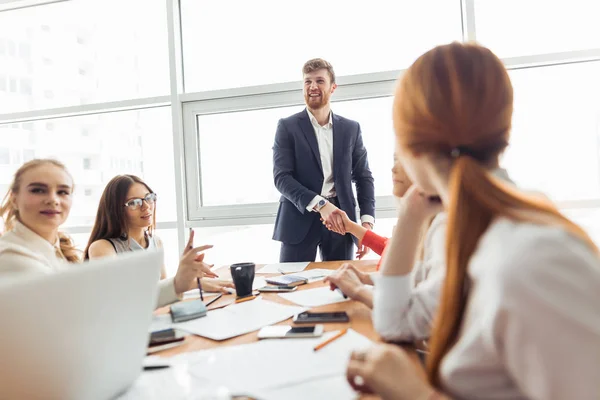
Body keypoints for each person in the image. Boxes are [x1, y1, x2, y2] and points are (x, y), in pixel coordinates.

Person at [346, 42, 600, 399]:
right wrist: (412, 210)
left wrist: (417, 394)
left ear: (411, 147)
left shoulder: (531, 256)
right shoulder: (465, 224)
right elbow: (395, 321)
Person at [0, 159, 220, 308]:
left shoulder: (56, 251)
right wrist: (179, 284)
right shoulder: (13, 256)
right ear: (14, 199)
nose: (53, 199)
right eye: (37, 190)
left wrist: (183, 282)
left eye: (63, 191)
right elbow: (104, 306)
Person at [272, 58, 375, 263]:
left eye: (319, 81)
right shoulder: (287, 127)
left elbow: (363, 177)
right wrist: (320, 204)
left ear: (332, 87)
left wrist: (366, 224)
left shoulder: (350, 129)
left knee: (340, 286)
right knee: (293, 286)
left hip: (340, 221)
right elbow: (282, 178)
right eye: (307, 81)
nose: (313, 86)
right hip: (298, 219)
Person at [323, 158, 447, 327]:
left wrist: (359, 290)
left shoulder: (441, 227)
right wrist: (366, 278)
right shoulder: (426, 216)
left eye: (402, 160)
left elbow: (413, 314)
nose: (393, 168)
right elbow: (398, 255)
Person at [84, 175, 233, 293]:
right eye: (134, 203)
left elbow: (163, 291)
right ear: (115, 209)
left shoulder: (156, 242)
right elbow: (116, 297)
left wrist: (190, 279)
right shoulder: (102, 248)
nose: (146, 206)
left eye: (149, 198)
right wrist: (189, 284)